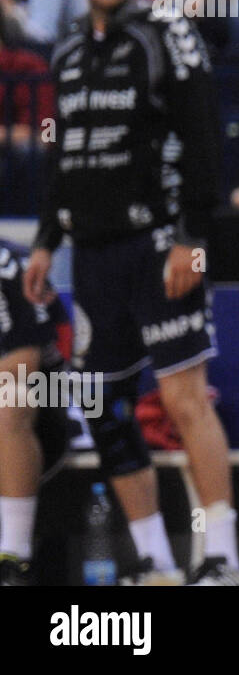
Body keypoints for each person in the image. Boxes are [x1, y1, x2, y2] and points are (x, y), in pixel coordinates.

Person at [22, 0, 239, 585]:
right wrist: (44, 242)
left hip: (160, 246)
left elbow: (204, 137)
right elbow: (64, 160)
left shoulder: (165, 31)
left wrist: (191, 239)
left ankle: (222, 554)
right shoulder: (64, 54)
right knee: (107, 410)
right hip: (91, 257)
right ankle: (153, 558)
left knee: (185, 401)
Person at [0, 239, 72, 586]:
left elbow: (22, 365)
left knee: (9, 398)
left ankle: (14, 560)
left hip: (48, 404)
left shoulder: (8, 264)